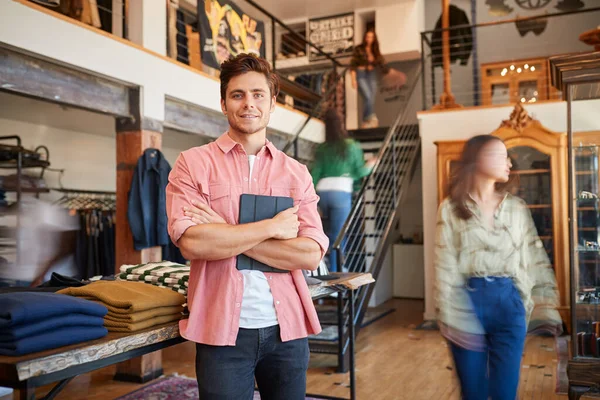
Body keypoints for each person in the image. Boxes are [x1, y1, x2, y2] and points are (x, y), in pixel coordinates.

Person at [165, 53, 329, 400]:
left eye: (258, 94)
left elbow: (311, 253)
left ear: (272, 103)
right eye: (238, 95)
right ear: (224, 103)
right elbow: (192, 243)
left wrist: (223, 231)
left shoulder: (296, 173)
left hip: (288, 331)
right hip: (221, 330)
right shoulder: (193, 164)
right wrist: (272, 227)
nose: (248, 104)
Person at [434, 134, 562, 400]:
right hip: (467, 304)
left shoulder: (517, 208)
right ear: (478, 159)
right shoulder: (450, 208)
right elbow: (444, 265)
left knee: (505, 393)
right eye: (501, 155)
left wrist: (546, 305)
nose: (509, 163)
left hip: (509, 303)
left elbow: (534, 256)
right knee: (474, 393)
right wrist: (450, 315)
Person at [310, 108, 375, 272]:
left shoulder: (322, 148)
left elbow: (314, 174)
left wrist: (311, 200)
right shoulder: (351, 146)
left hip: (322, 192)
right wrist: (372, 164)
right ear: (342, 125)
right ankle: (335, 270)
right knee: (338, 235)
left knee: (322, 232)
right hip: (341, 193)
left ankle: (321, 266)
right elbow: (360, 172)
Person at [350, 30, 389, 129]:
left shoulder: (375, 51)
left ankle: (366, 121)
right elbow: (353, 64)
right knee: (367, 96)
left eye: (371, 37)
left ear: (374, 39)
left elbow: (382, 64)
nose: (369, 39)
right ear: (365, 37)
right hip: (361, 74)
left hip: (371, 75)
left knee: (372, 97)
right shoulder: (359, 49)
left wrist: (388, 71)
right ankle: (370, 118)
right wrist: (353, 79)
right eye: (367, 36)